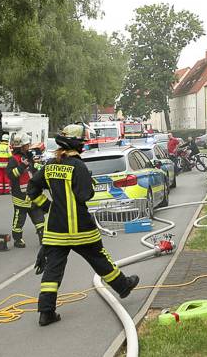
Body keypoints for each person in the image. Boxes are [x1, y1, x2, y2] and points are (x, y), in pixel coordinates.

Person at [27, 123, 140, 326]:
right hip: (81, 229)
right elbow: (85, 195)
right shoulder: (78, 166)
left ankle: (46, 312)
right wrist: (88, 182)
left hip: (56, 231)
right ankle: (123, 287)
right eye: (82, 143)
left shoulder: (50, 165)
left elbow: (32, 189)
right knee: (100, 259)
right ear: (77, 144)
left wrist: (48, 207)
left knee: (52, 271)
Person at [7, 133, 48, 249]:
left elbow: (33, 171)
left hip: (33, 194)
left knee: (39, 217)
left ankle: (43, 237)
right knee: (19, 220)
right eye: (26, 145)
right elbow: (11, 175)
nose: (28, 146)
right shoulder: (13, 160)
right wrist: (22, 166)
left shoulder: (28, 157)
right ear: (21, 147)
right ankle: (18, 239)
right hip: (20, 197)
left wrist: (41, 169)